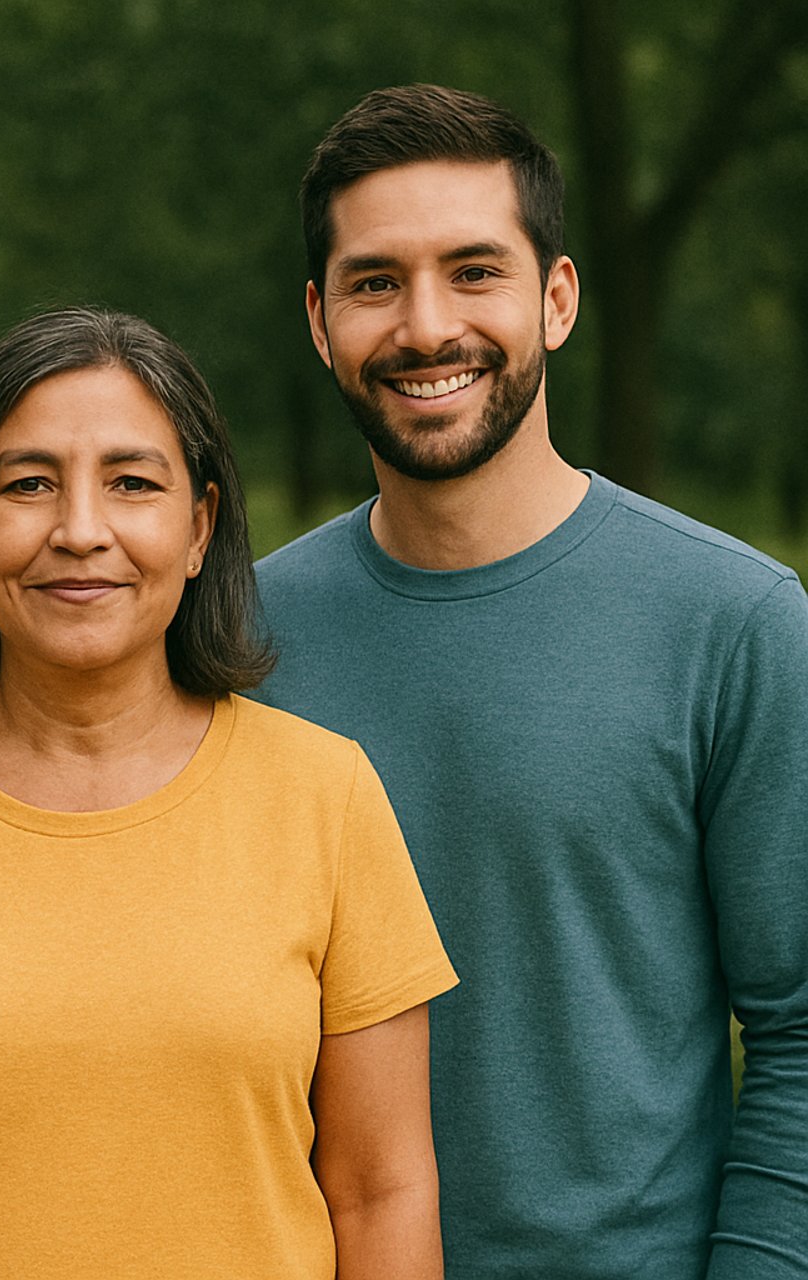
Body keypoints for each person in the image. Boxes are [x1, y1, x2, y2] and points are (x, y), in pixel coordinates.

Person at [0, 307, 457, 1279]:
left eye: (133, 483)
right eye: (28, 484)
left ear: (199, 527)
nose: (81, 530)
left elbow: (381, 1188)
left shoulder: (327, 795)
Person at [253, 83, 808, 1278]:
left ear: (556, 299)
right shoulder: (234, 638)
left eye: (474, 270)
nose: (424, 325)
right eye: (373, 282)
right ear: (317, 317)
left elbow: (801, 1029)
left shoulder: (739, 623)